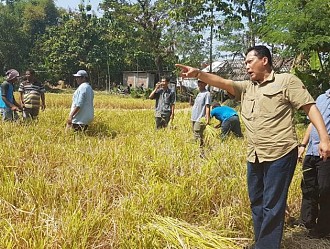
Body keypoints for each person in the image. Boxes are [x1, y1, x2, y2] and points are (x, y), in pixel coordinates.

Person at [176, 45, 330, 249]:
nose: (247, 66)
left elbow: (310, 108)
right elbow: (222, 82)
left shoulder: (286, 81)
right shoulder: (247, 87)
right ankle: (262, 241)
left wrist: (324, 138)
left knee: (272, 204)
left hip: (281, 153)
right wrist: (199, 73)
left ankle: (265, 246)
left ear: (264, 60)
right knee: (257, 201)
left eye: (249, 61)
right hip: (255, 154)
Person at [297, 89, 330, 239]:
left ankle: (323, 228)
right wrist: (303, 145)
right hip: (311, 151)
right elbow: (312, 123)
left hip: (326, 153)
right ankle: (306, 221)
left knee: (325, 190)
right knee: (308, 187)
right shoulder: (321, 97)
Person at [191, 80, 211, 146]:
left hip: (200, 118)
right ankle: (202, 148)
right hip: (194, 117)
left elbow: (207, 106)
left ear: (205, 83)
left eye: (201, 82)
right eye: (198, 82)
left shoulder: (207, 93)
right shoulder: (199, 93)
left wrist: (207, 119)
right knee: (195, 133)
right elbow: (193, 105)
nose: (199, 83)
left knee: (197, 134)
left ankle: (198, 149)